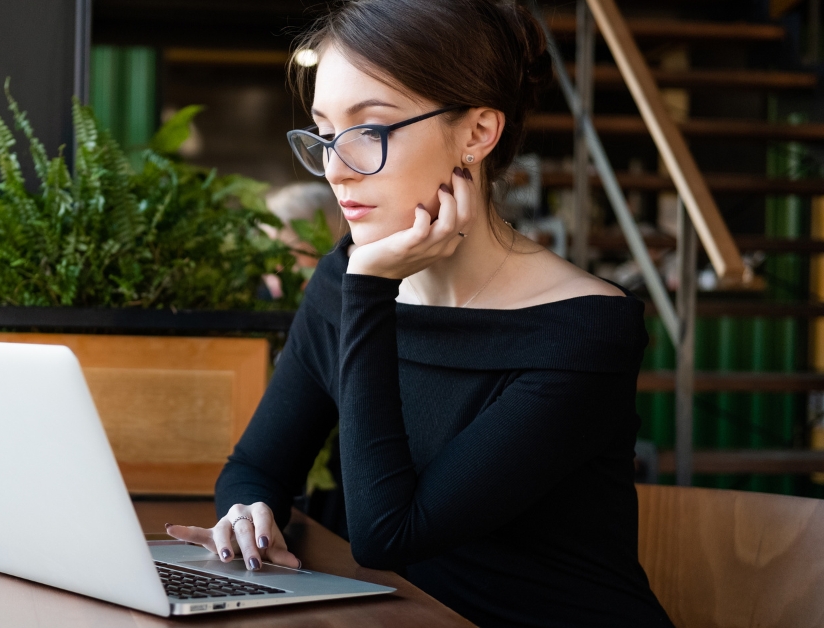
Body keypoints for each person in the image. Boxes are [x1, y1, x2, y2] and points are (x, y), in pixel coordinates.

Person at [165, 0, 673, 625]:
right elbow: (257, 466)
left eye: (369, 132)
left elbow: (389, 535)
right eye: (325, 134)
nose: (336, 169)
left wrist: (373, 291)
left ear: (477, 134)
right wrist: (247, 512)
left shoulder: (583, 329)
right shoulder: (345, 278)